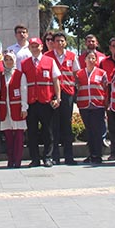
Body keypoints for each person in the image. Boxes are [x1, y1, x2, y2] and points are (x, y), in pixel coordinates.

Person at [20, 37, 61, 167]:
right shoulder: (24, 63)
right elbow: (22, 84)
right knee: (31, 132)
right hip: (31, 102)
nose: (34, 48)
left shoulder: (50, 61)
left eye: (36, 46)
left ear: (41, 47)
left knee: (48, 131)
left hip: (46, 101)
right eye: (32, 46)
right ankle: (35, 158)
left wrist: (58, 97)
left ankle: (47, 157)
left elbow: (56, 80)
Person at [44, 32, 79, 165]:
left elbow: (76, 73)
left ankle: (69, 156)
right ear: (52, 43)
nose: (59, 43)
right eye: (57, 41)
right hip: (52, 93)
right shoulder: (47, 56)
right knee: (54, 125)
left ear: (65, 42)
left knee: (67, 124)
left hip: (68, 92)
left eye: (62, 41)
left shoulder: (71, 56)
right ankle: (55, 156)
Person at [76, 50, 108, 164]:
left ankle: (98, 155)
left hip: (98, 105)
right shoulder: (79, 73)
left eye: (93, 58)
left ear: (96, 60)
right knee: (89, 131)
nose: (91, 60)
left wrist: (106, 102)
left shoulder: (101, 73)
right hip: (84, 105)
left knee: (97, 131)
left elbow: (106, 88)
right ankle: (90, 154)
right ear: (84, 60)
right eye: (88, 58)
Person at [0, 52, 27, 168]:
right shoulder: (1, 75)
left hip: (17, 107)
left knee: (19, 136)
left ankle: (18, 160)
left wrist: (24, 107)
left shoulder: (20, 75)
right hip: (5, 109)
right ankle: (10, 159)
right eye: (6, 59)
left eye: (11, 59)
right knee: (8, 136)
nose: (9, 61)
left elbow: (24, 91)